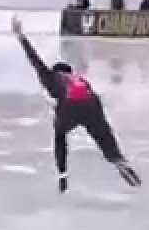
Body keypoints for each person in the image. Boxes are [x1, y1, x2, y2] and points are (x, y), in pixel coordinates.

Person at [11, 15, 141, 193]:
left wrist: (20, 36)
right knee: (104, 137)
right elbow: (97, 109)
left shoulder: (51, 77)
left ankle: (63, 174)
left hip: (70, 107)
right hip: (92, 104)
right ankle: (119, 160)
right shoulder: (80, 79)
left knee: (59, 135)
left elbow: (35, 59)